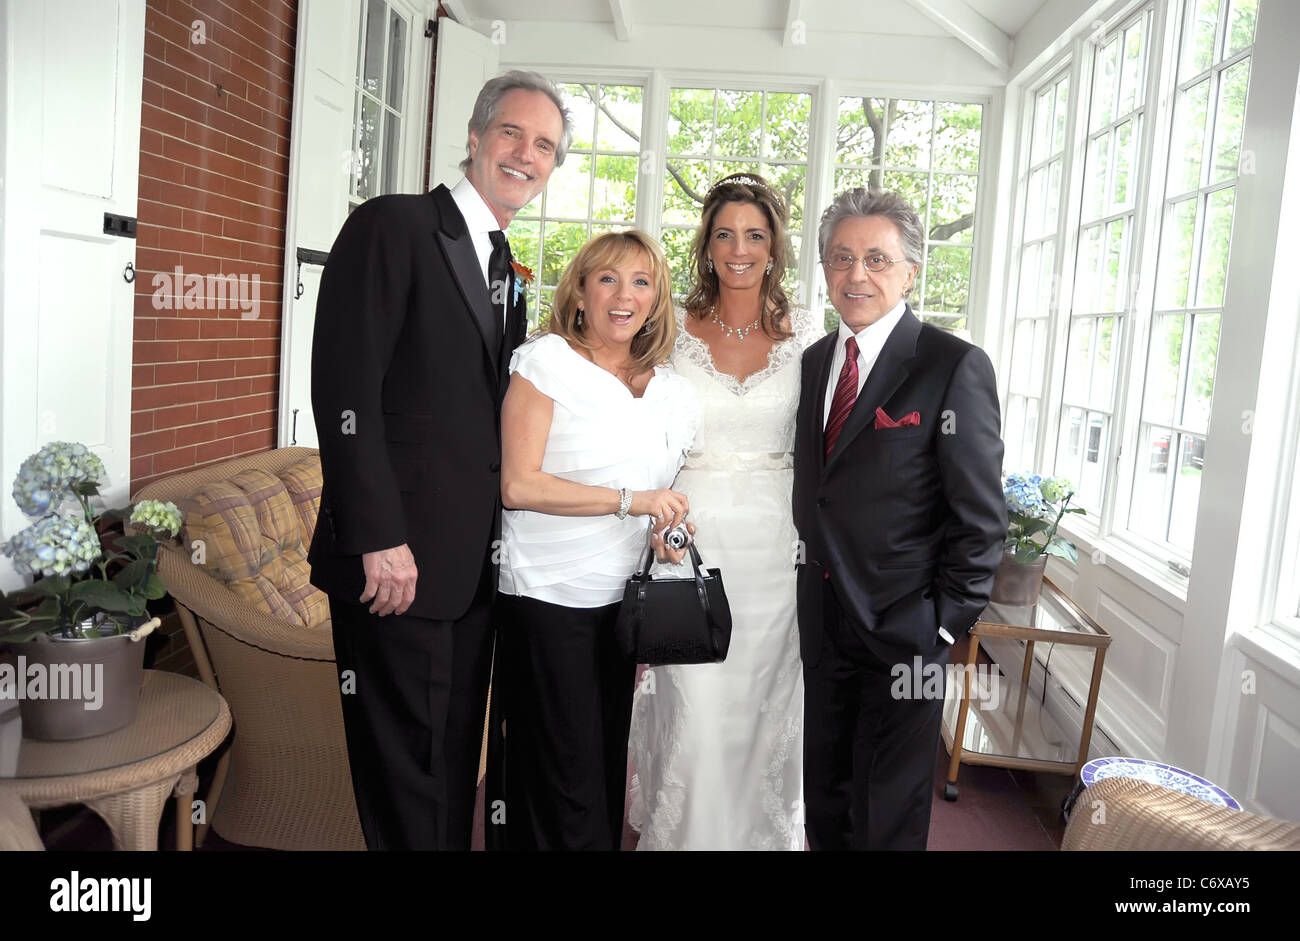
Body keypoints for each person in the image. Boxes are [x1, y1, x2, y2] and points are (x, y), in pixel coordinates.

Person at [307, 71, 571, 851]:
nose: (526, 155)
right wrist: (378, 536)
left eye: (546, 146)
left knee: (452, 768)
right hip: (398, 566)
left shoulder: (503, 266)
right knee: (406, 780)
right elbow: (344, 391)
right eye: (513, 134)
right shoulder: (392, 227)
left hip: (469, 574)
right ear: (475, 136)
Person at [793, 188, 1006, 851]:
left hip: (906, 631)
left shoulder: (953, 366)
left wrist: (940, 621)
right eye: (842, 257)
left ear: (911, 270)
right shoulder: (815, 361)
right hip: (823, 624)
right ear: (826, 268)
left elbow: (981, 520)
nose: (857, 274)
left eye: (877, 259)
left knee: (886, 813)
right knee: (827, 798)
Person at [628, 173, 823, 850]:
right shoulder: (671, 325)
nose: (739, 248)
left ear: (775, 247)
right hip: (691, 535)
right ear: (706, 246)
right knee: (695, 700)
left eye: (755, 235)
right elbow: (635, 418)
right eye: (724, 234)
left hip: (778, 546)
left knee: (768, 702)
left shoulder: (809, 329)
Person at [496, 230, 700, 850]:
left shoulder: (669, 390)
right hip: (547, 594)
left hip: (623, 604)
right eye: (607, 279)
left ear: (656, 298)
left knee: (606, 765)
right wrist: (631, 502)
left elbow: (663, 491)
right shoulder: (545, 363)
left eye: (641, 282)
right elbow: (518, 485)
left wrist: (667, 529)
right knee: (559, 772)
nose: (624, 295)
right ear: (580, 293)